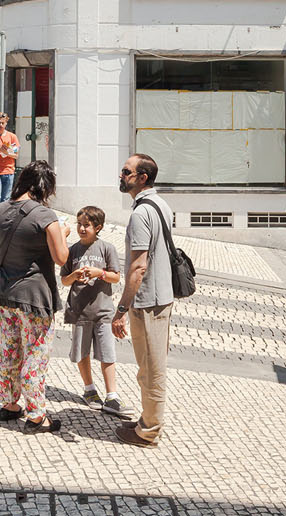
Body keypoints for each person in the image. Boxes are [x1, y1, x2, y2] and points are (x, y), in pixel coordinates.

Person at [0, 159, 69, 432]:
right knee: (36, 352)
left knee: (9, 348)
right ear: (44, 187)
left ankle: (9, 403)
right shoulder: (45, 216)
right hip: (35, 296)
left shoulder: (0, 210)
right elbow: (61, 258)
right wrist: (63, 233)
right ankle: (36, 413)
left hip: (5, 293)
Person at [112, 153, 174, 448]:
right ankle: (148, 420)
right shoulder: (160, 204)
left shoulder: (140, 214)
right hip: (163, 296)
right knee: (152, 365)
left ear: (142, 178)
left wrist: (122, 308)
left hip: (148, 300)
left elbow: (138, 267)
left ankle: (148, 431)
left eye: (126, 171)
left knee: (150, 369)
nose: (121, 175)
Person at [61, 206, 135, 418]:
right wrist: (74, 276)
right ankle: (89, 389)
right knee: (81, 352)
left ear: (98, 227)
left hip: (103, 311)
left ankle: (112, 395)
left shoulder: (106, 248)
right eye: (79, 224)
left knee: (107, 352)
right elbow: (64, 281)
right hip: (79, 312)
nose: (82, 229)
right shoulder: (72, 251)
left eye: (87, 225)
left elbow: (116, 277)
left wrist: (99, 273)